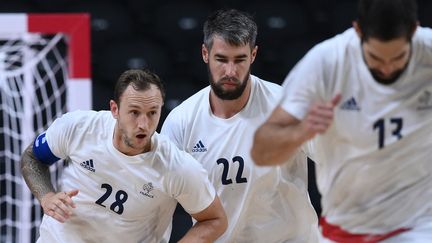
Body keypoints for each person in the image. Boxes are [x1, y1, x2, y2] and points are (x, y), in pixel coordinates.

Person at [252, 0, 432, 242]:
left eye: (399, 57)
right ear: (358, 31)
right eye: (376, 58)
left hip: (418, 223)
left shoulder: (428, 50)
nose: (388, 68)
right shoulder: (326, 62)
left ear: (414, 31)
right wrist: (301, 132)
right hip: (345, 225)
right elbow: (261, 152)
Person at [161, 9, 319, 243]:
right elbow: (157, 199)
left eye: (240, 60)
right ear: (205, 54)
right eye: (221, 60)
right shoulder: (181, 121)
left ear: (253, 55)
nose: (230, 71)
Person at [20, 69, 227, 243]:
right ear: (115, 109)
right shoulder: (79, 128)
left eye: (152, 113)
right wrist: (46, 197)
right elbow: (32, 158)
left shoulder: (176, 166)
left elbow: (215, 220)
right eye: (134, 112)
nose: (143, 124)